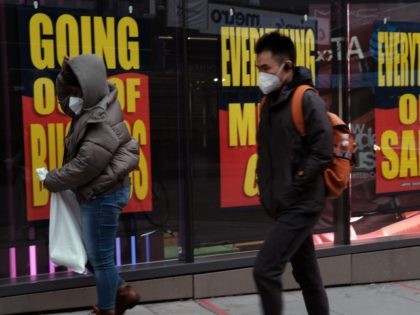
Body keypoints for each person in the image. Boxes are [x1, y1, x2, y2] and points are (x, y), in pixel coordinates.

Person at [43, 54, 140, 315]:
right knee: (94, 255)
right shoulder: (90, 105)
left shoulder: (100, 121)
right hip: (100, 193)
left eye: (76, 90)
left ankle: (107, 309)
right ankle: (123, 292)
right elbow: (65, 100)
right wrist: (65, 75)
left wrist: (51, 180)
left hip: (103, 196)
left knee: (101, 258)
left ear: (87, 89)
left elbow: (84, 166)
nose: (71, 96)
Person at [253, 32, 333, 315]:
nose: (261, 76)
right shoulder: (269, 104)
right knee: (308, 276)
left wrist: (296, 184)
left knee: (265, 269)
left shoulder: (306, 99)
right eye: (258, 69)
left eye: (266, 69)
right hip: (285, 203)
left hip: (301, 203)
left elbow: (324, 150)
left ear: (286, 66)